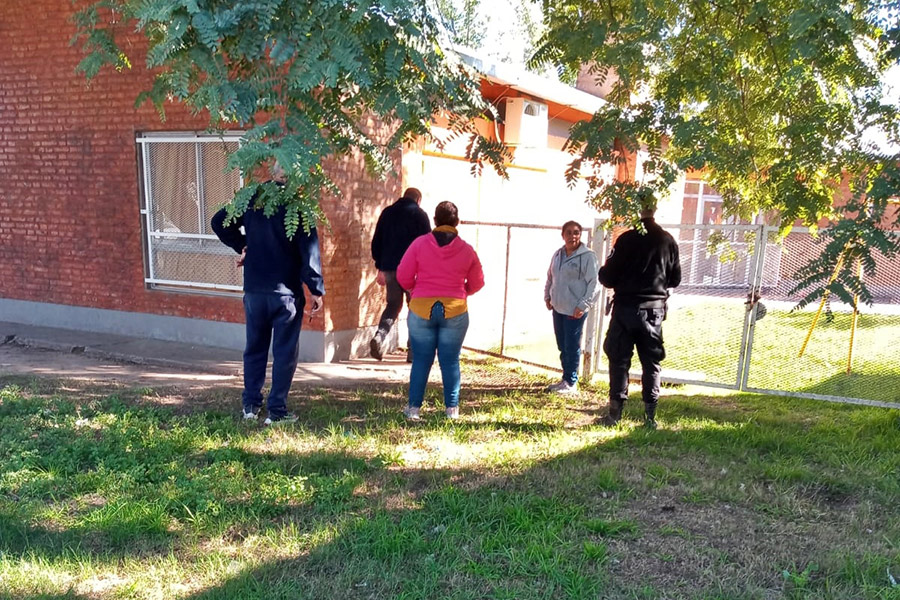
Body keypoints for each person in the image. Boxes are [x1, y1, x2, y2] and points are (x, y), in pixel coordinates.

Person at [211, 165, 325, 426]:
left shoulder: (252, 197)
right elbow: (309, 252)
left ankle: (250, 405)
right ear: (296, 179)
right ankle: (277, 410)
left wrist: (242, 245)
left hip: (254, 290)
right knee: (284, 352)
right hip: (285, 293)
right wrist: (316, 289)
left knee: (254, 348)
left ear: (274, 174)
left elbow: (218, 222)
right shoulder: (298, 207)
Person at [396, 201, 484, 420]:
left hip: (421, 308)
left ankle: (413, 410)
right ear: (457, 222)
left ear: (434, 221)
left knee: (421, 360)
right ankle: (451, 410)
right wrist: (463, 291)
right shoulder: (467, 249)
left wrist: (414, 288)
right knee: (451, 360)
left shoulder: (419, 244)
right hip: (455, 309)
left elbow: (403, 275)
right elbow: (478, 282)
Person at [598, 198, 681, 429]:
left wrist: (605, 271)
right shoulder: (668, 241)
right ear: (655, 209)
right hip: (653, 312)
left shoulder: (626, 239)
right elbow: (675, 279)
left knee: (619, 360)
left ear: (638, 211)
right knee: (651, 362)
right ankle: (650, 417)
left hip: (625, 309)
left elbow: (607, 277)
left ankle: (615, 415)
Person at [369, 187, 432, 360]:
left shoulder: (387, 213)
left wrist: (380, 266)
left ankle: (379, 337)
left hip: (390, 270)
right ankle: (413, 351)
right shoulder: (420, 215)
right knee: (416, 309)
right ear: (418, 200)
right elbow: (427, 245)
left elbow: (377, 242)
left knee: (393, 306)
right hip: (412, 272)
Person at [544, 220, 600, 395]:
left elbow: (595, 283)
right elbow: (550, 277)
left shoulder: (588, 256)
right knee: (562, 345)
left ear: (580, 235)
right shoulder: (558, 254)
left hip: (574, 311)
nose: (572, 236)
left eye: (576, 232)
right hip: (558, 308)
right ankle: (565, 379)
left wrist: (583, 305)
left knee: (571, 345)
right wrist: (547, 296)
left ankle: (571, 382)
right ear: (563, 235)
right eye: (568, 232)